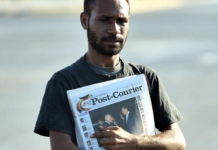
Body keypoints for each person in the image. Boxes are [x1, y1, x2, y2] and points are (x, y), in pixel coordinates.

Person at [34, 0, 186, 149]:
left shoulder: (145, 76)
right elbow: (61, 146)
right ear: (85, 21)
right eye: (104, 20)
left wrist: (134, 142)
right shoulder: (63, 82)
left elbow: (178, 140)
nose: (114, 29)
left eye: (122, 21)